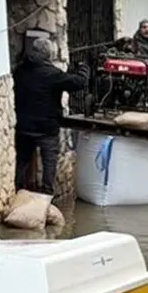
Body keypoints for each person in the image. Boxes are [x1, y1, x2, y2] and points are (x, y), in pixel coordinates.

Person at [12, 37, 89, 195]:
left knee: (22, 161)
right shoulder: (52, 74)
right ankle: (47, 195)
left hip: (24, 127)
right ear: (49, 55)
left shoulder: (20, 71)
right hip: (46, 129)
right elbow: (79, 82)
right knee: (49, 163)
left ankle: (16, 190)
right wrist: (83, 67)